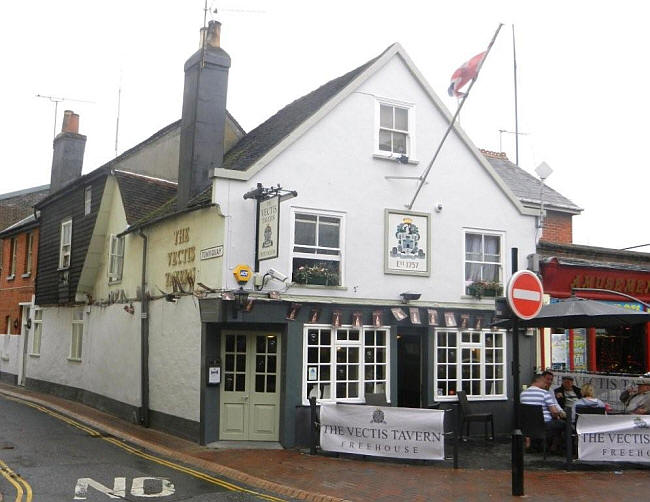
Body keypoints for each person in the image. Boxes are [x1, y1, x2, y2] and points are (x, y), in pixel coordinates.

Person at [521, 374, 565, 451]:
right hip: (544, 425)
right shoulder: (545, 393)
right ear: (538, 381)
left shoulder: (523, 394)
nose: (545, 384)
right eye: (544, 382)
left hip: (528, 425)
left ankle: (532, 444)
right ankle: (555, 447)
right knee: (564, 424)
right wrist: (558, 414)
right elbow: (554, 412)